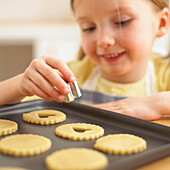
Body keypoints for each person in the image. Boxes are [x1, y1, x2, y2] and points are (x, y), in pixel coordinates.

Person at [0, 0, 169, 121]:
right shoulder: (72, 76)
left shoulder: (164, 75)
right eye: (89, 28)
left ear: (161, 23)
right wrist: (20, 85)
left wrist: (156, 104)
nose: (103, 40)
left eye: (121, 22)